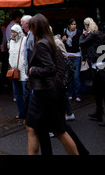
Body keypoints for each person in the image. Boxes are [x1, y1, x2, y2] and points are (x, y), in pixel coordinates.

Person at [25, 14, 79, 155]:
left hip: (44, 92)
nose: (29, 30)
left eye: (31, 27)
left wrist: (32, 70)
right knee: (38, 128)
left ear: (36, 27)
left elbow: (50, 68)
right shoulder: (49, 41)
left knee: (55, 130)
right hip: (48, 91)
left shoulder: (42, 44)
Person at [79, 17, 105, 123]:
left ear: (86, 26)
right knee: (98, 92)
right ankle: (98, 113)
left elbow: (81, 43)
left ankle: (100, 114)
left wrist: (82, 34)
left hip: (98, 65)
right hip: (98, 64)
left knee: (100, 91)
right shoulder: (97, 33)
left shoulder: (92, 35)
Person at [8, 24, 27, 119]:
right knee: (17, 94)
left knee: (26, 93)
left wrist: (23, 64)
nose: (13, 34)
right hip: (14, 71)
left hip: (23, 71)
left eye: (14, 32)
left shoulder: (25, 40)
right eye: (12, 32)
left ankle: (28, 113)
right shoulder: (11, 42)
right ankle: (21, 112)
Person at [62, 19, 82, 102]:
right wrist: (63, 40)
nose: (74, 26)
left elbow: (81, 44)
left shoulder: (79, 33)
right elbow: (62, 44)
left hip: (77, 56)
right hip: (68, 56)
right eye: (72, 24)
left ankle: (78, 94)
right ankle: (70, 94)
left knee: (76, 77)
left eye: (75, 24)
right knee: (68, 76)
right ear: (69, 25)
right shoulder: (64, 32)